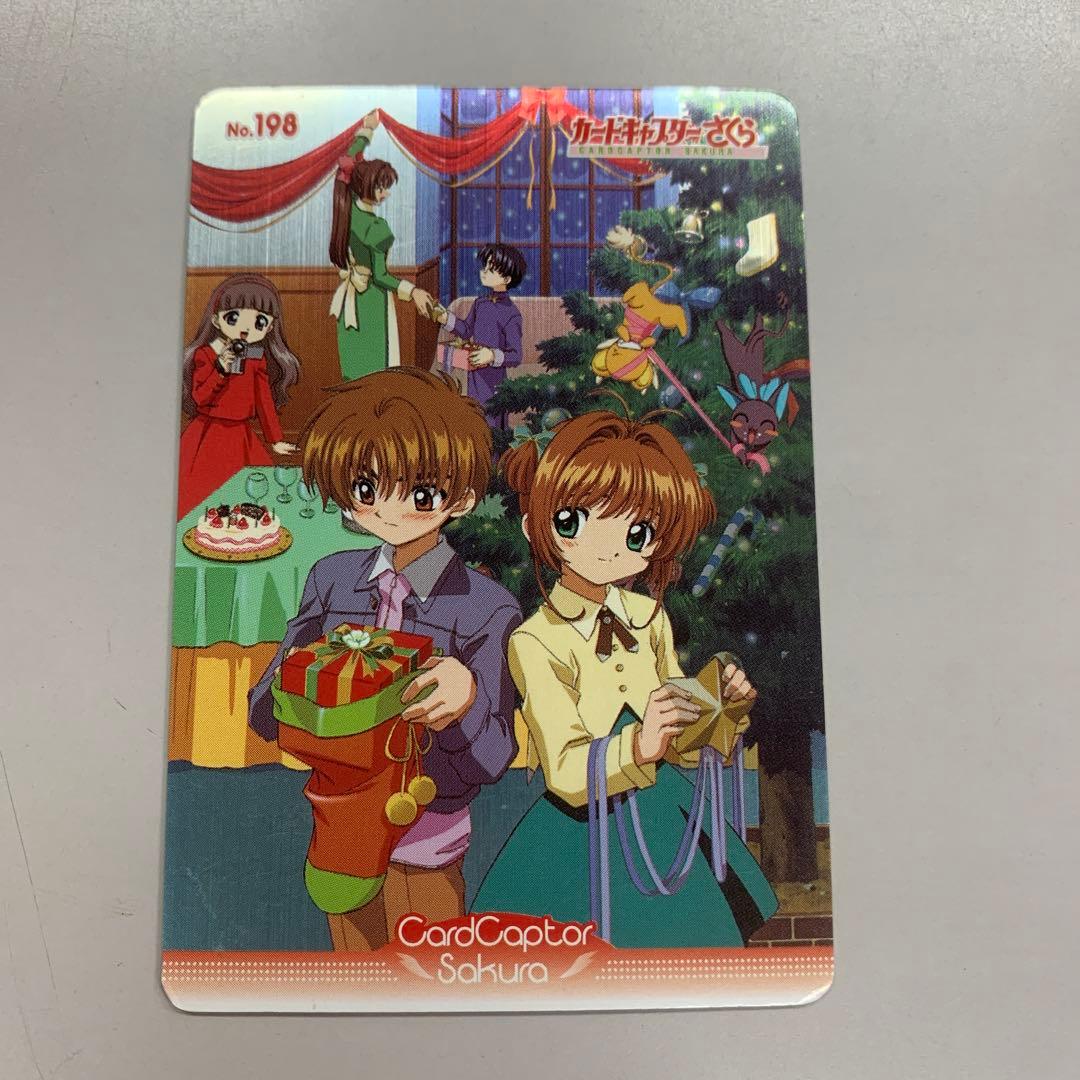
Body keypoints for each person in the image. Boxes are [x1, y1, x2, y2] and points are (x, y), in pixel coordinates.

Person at [471, 409, 778, 947]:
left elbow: (680, 736)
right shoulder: (535, 640)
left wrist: (719, 709)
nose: (609, 547)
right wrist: (637, 745)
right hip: (579, 833)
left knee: (690, 946)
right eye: (575, 521)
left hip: (663, 818)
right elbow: (564, 770)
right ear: (536, 527)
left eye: (637, 532)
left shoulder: (648, 616)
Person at [248, 369, 521, 951]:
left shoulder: (486, 607)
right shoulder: (331, 579)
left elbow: (494, 757)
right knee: (354, 966)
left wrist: (466, 700)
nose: (390, 510)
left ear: (462, 499)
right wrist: (300, 681)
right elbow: (264, 712)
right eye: (367, 487)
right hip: (339, 826)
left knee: (431, 970)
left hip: (428, 832)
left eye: (420, 494)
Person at [178, 273, 300, 519]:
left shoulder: (256, 358)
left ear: (270, 327)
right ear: (216, 319)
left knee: (253, 500)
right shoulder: (205, 355)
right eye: (233, 318)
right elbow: (200, 397)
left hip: (242, 437)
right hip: (206, 435)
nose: (245, 328)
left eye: (259, 321)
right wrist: (220, 369)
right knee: (204, 497)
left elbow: (264, 401)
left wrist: (275, 439)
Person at [328, 110, 434, 380]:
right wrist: (413, 291)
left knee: (353, 368)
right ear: (365, 186)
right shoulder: (376, 229)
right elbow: (380, 276)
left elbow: (347, 164)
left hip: (350, 300)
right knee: (376, 368)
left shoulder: (347, 210)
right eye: (381, 187)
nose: (386, 193)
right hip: (372, 302)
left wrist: (367, 131)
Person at [434, 243, 525, 425]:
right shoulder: (480, 303)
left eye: (491, 269)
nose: (484, 272)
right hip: (474, 375)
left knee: (491, 423)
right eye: (485, 267)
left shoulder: (511, 314)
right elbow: (466, 330)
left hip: (495, 381)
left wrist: (491, 356)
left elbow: (516, 355)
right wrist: (445, 318)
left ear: (506, 279)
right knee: (474, 417)